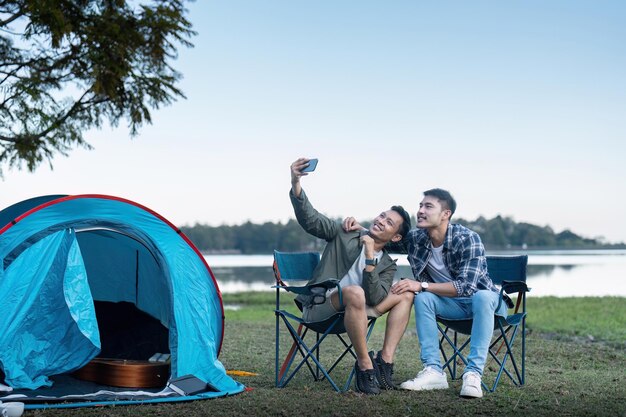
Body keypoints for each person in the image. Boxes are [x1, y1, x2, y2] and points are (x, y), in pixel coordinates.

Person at [344, 188, 507, 399]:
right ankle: (433, 371)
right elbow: (389, 236)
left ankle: (473, 374)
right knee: (423, 298)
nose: (420, 211)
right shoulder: (416, 239)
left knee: (479, 296)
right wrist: (363, 230)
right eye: (420, 205)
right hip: (452, 306)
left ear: (445, 214)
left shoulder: (468, 238)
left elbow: (467, 287)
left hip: (486, 306)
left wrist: (421, 284)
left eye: (428, 206)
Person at [288, 157, 414, 395]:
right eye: (381, 216)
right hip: (322, 307)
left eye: (388, 223)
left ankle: (384, 362)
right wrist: (296, 183)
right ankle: (365, 366)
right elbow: (311, 220)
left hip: (357, 311)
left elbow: (376, 298)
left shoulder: (386, 264)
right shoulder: (344, 233)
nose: (380, 221)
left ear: (395, 237)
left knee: (407, 293)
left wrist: (369, 256)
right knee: (355, 292)